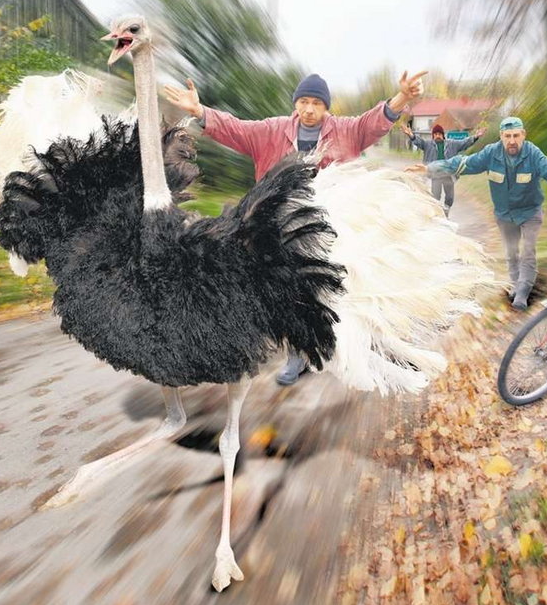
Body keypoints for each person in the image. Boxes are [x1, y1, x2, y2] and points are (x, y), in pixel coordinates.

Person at [164, 70, 427, 386]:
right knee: (293, 292)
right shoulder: (272, 131)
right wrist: (200, 112)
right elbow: (236, 129)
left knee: (352, 287)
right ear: (296, 103)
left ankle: (377, 346)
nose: (309, 109)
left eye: (317, 103)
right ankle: (298, 355)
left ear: (326, 107)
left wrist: (403, 98)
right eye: (303, 101)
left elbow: (373, 122)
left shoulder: (345, 131)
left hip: (333, 226)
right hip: (284, 230)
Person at [420, 116, 547, 310]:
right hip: (504, 215)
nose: (512, 140)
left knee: (528, 251)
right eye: (507, 136)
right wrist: (430, 168)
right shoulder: (491, 153)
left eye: (516, 135)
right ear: (501, 136)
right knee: (511, 253)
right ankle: (516, 284)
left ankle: (523, 291)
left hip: (530, 212)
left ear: (523, 135)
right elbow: (462, 163)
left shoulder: (532, 154)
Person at [402, 122, 486, 216]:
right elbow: (419, 142)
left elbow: (464, 143)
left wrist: (475, 137)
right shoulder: (428, 144)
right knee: (435, 196)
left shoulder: (452, 144)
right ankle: (437, 214)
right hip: (435, 175)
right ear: (433, 136)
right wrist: (411, 135)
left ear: (443, 135)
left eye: (439, 134)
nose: (437, 136)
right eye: (435, 134)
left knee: (450, 198)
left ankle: (446, 211)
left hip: (448, 175)